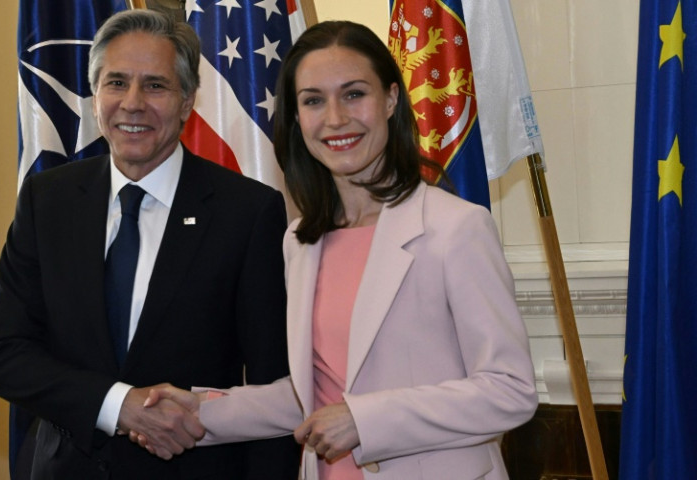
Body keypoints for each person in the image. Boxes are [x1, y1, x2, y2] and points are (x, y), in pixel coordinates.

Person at [135, 20, 538, 480]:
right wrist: (200, 411)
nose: (334, 119)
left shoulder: (457, 228)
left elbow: (510, 390)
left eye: (353, 94)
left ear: (390, 100)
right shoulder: (300, 239)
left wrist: (365, 419)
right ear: (296, 117)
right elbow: (316, 395)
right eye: (312, 101)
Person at [0, 9, 299, 480]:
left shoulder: (247, 213)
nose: (132, 103)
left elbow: (275, 392)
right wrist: (118, 405)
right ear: (94, 94)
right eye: (116, 82)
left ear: (187, 100)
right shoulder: (48, 200)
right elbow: (2, 354)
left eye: (155, 86)